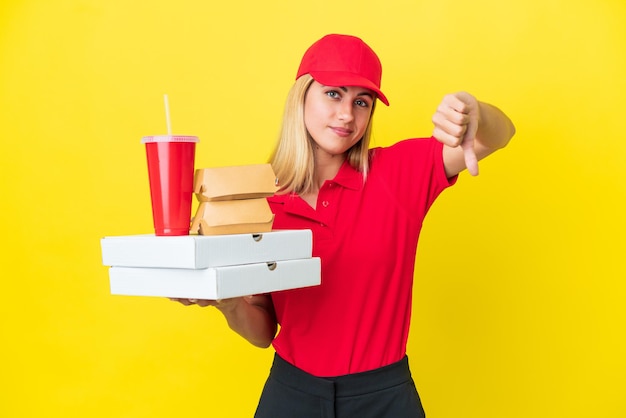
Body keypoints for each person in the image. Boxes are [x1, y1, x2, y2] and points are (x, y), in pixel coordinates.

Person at [172, 34, 516, 417]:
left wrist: (476, 114)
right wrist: (228, 302)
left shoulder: (399, 173)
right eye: (333, 94)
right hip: (291, 394)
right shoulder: (261, 203)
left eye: (361, 102)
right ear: (301, 96)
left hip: (384, 397)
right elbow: (263, 332)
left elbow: (499, 135)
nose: (347, 115)